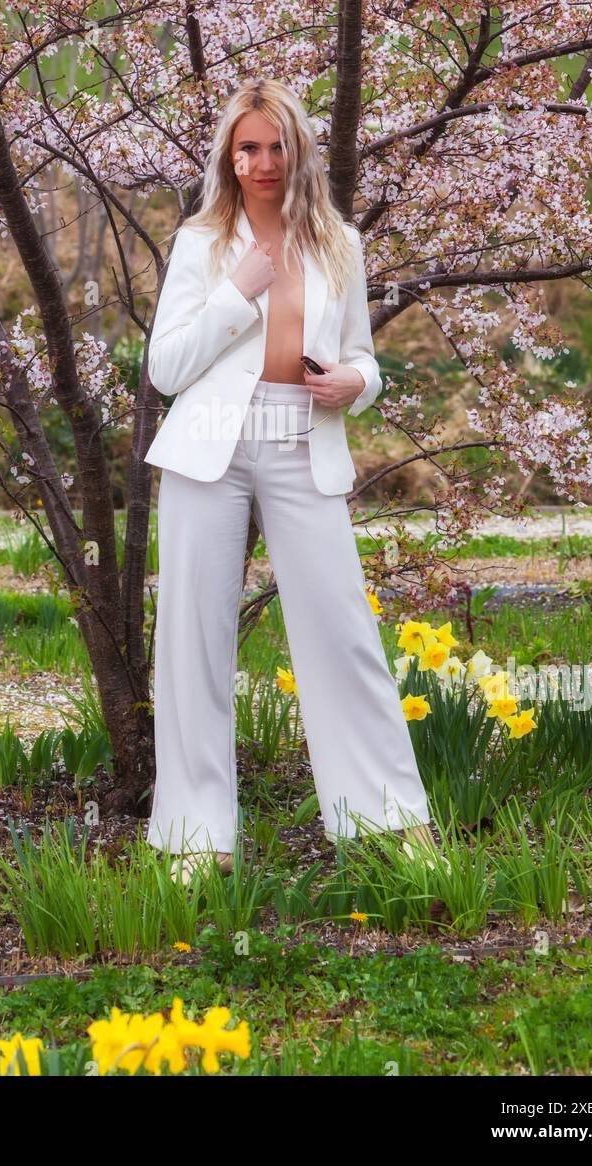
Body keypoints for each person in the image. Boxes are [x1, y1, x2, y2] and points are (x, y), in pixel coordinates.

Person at [143, 78, 435, 882]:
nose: (264, 161)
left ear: (298, 148)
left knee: (341, 633)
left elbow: (363, 357)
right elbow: (165, 369)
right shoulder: (202, 243)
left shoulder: (338, 241)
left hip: (302, 439)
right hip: (210, 446)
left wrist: (358, 384)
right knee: (194, 639)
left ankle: (390, 828)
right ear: (229, 157)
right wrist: (238, 295)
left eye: (276, 145)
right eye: (248, 147)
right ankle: (197, 841)